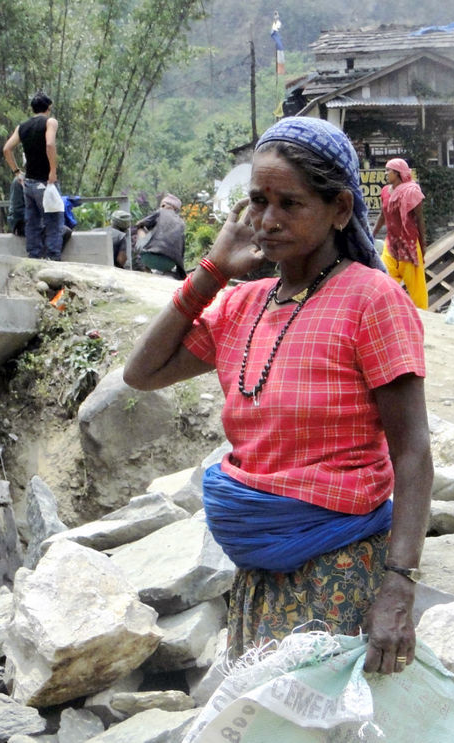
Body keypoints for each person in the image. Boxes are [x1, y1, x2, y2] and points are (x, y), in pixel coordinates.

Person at [123, 117, 432, 675]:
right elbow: (141, 373)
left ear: (339, 209)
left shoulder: (373, 300)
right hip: (258, 574)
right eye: (258, 201)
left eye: (289, 203)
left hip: (338, 569)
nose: (267, 220)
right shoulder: (246, 303)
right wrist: (213, 271)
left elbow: (412, 450)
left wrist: (399, 585)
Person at [3, 92, 64, 260]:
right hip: (45, 182)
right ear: (48, 108)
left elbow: (7, 149)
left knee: (33, 223)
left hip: (28, 183)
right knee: (53, 221)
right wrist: (53, 171)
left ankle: (34, 257)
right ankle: (53, 258)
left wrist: (16, 172)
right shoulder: (50, 122)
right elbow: (50, 144)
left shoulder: (22, 127)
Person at [372, 158, 429, 309]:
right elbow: (383, 215)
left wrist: (422, 246)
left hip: (409, 244)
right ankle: (388, 312)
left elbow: (419, 220)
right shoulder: (385, 191)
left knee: (417, 288)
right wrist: (371, 235)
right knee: (384, 280)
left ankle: (423, 317)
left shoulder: (412, 192)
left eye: (388, 170)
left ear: (397, 173)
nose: (386, 174)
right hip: (391, 243)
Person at [133, 193, 186, 278]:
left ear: (164, 205)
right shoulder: (181, 223)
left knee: (141, 228)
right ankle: (165, 273)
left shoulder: (161, 211)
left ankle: (146, 270)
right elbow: (182, 249)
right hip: (170, 264)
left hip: (149, 259)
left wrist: (149, 229)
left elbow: (139, 223)